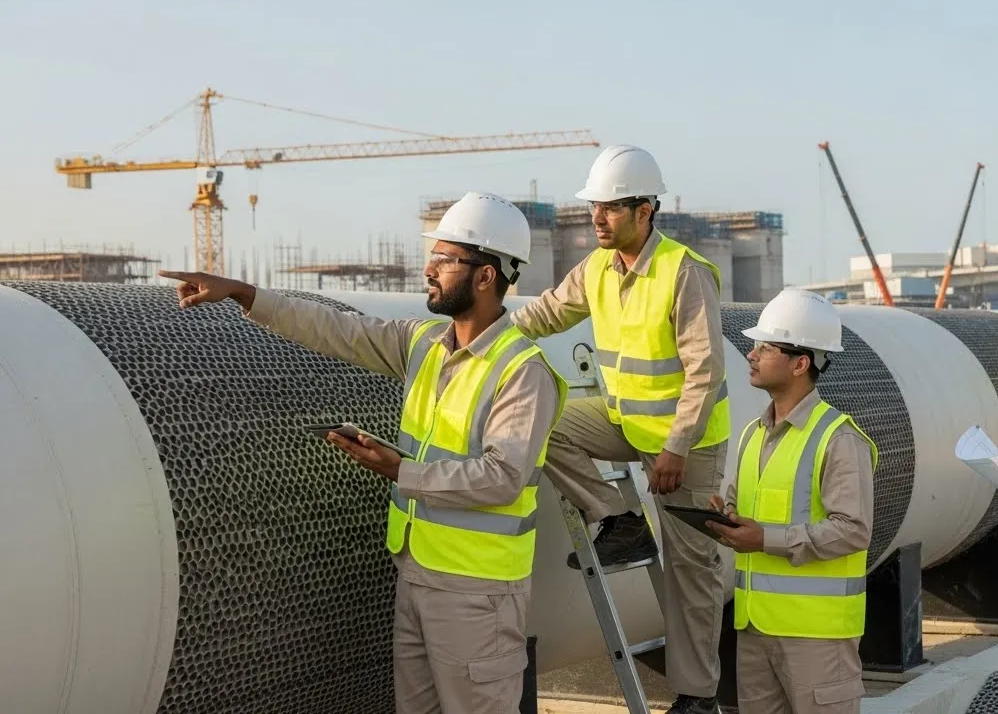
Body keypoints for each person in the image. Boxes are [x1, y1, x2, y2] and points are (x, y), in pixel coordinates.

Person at [160, 192, 567, 714]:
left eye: (445, 259)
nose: (429, 269)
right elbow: (338, 330)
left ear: (486, 276)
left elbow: (502, 477)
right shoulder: (425, 344)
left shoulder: (522, 371)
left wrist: (400, 471)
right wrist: (244, 294)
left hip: (478, 593)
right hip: (417, 572)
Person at [509, 144, 730, 714]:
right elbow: (546, 312)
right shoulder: (597, 269)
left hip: (688, 445)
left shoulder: (684, 272)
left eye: (609, 208)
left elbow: (705, 372)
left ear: (644, 211)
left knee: (691, 572)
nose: (597, 219)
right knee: (546, 420)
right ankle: (619, 517)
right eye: (594, 207)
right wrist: (485, 338)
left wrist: (676, 447)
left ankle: (698, 696)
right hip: (625, 423)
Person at [706, 289, 877, 714]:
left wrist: (765, 539)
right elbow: (747, 511)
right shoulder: (752, 434)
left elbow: (853, 530)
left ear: (800, 363)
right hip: (754, 627)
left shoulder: (838, 438)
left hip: (817, 638)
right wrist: (726, 519)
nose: (751, 355)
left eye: (766, 347)